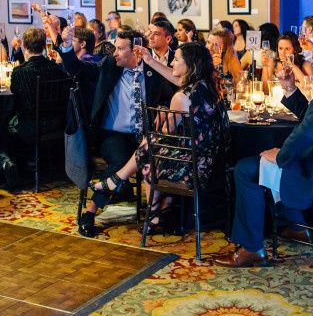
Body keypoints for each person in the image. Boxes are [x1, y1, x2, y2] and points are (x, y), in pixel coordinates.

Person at [215, 32, 313, 267]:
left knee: (245, 169)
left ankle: (252, 248)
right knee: (272, 159)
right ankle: (296, 226)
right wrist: (289, 89)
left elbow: (308, 131)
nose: (312, 54)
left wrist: (281, 156)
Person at [88, 43, 230, 233]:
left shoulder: (181, 97)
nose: (172, 62)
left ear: (190, 66)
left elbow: (166, 134)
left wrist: (162, 117)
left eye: (177, 59)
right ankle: (153, 213)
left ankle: (148, 210)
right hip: (216, 163)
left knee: (149, 160)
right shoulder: (207, 85)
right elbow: (179, 82)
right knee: (150, 147)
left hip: (196, 169)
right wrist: (150, 60)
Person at [58, 26, 174, 237]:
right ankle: (90, 212)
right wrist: (66, 46)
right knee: (121, 159)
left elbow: (168, 96)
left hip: (144, 136)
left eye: (120, 49)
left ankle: (158, 216)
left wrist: (164, 109)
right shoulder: (109, 65)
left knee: (159, 157)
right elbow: (77, 69)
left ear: (136, 51)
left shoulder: (152, 71)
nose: (115, 53)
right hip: (112, 134)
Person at [0, 28, 69, 191]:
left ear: (24, 45)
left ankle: (10, 164)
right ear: (44, 46)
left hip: (31, 127)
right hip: (57, 124)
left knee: (1, 124)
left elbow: (17, 100)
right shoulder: (57, 69)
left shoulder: (20, 72)